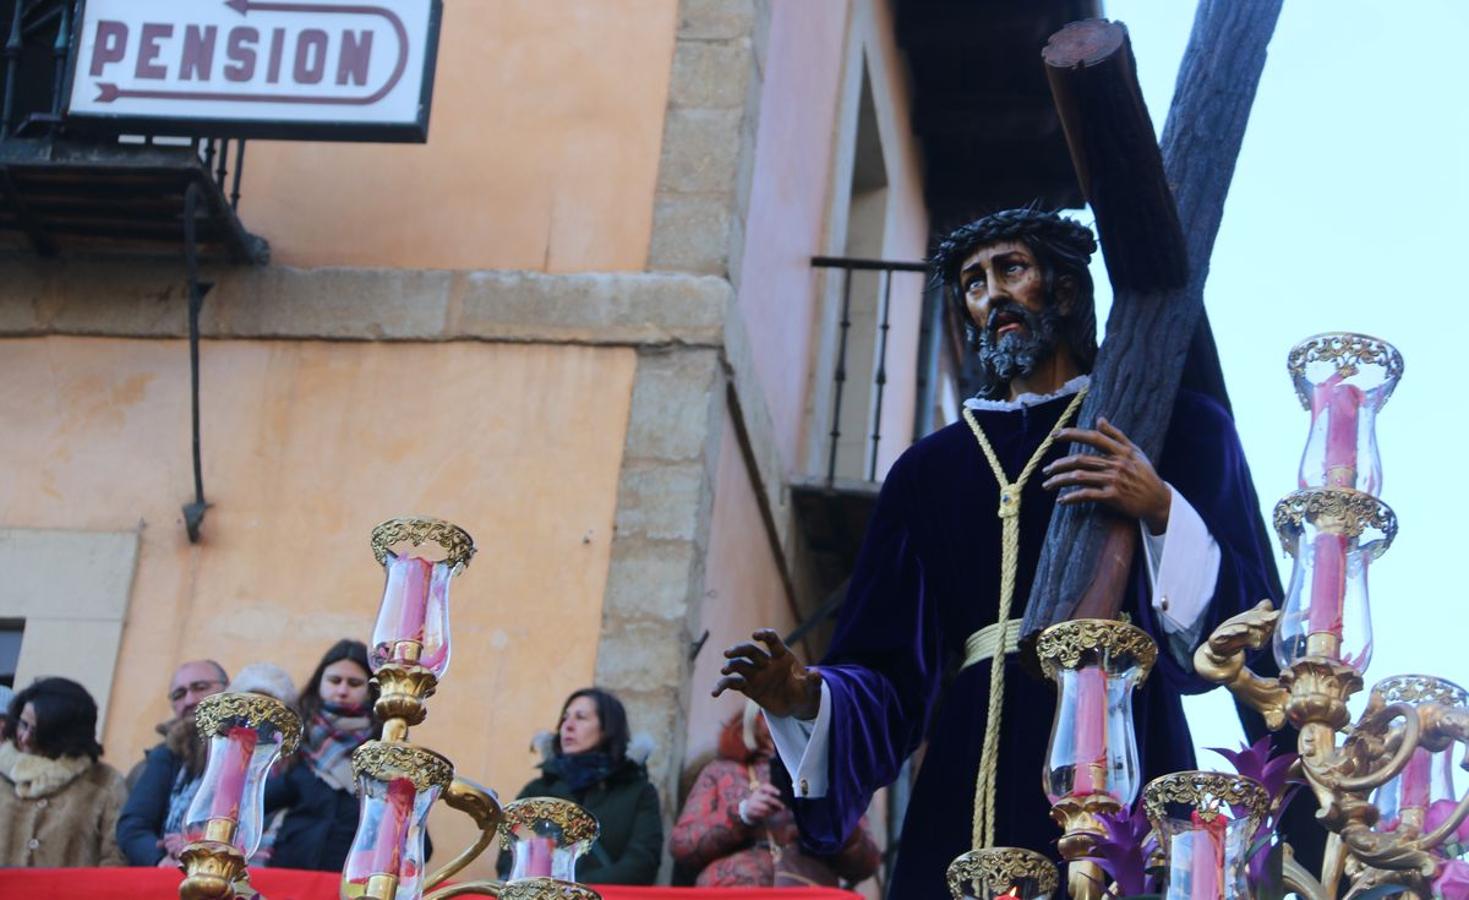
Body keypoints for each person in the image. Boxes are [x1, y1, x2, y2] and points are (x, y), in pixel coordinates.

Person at [714, 209, 1274, 897]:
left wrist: (1159, 508)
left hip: (1128, 736)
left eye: (1010, 269)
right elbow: (886, 668)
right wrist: (804, 698)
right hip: (972, 754)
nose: (992, 296)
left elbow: (1248, 617)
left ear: (1064, 290)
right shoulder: (929, 471)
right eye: (974, 283)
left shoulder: (1174, 426)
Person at [671, 702, 880, 887]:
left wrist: (836, 822)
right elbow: (682, 845)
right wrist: (743, 814)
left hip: (807, 885)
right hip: (734, 888)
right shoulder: (722, 771)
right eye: (773, 712)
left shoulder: (831, 778)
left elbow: (867, 864)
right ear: (755, 718)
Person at [499, 688, 662, 885]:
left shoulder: (639, 793)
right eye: (565, 718)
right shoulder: (537, 791)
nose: (567, 726)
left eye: (581, 717)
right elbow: (511, 856)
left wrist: (576, 890)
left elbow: (642, 863)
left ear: (607, 729)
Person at [263, 639, 380, 871]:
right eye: (335, 680)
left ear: (369, 690)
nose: (342, 690)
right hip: (285, 875)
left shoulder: (382, 750)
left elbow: (407, 833)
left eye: (354, 683)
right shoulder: (290, 736)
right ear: (319, 682)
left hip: (349, 881)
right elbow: (257, 804)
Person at [0, 677, 128, 866]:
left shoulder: (105, 783)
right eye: (23, 724)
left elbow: (115, 859)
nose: (25, 738)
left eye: (37, 732)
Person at [116, 659, 229, 866]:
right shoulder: (165, 755)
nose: (189, 700)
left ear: (227, 689)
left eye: (200, 687)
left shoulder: (252, 751)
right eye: (179, 695)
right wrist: (160, 860)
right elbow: (133, 826)